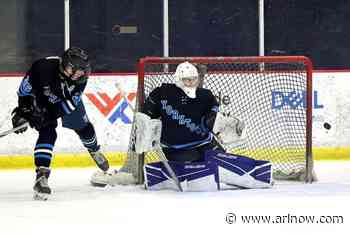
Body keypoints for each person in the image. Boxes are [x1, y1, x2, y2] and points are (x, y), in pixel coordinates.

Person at [140, 61, 273, 191]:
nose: (191, 83)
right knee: (202, 175)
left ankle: (260, 172)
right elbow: (145, 116)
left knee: (224, 164)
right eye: (187, 79)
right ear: (178, 79)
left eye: (194, 79)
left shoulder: (206, 96)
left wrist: (219, 124)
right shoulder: (162, 93)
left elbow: (213, 120)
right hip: (177, 149)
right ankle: (160, 175)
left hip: (205, 143)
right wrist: (147, 128)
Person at [11, 47, 110, 200]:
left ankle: (94, 150)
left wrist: (48, 116)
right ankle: (41, 176)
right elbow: (24, 92)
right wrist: (23, 112)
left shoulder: (80, 80)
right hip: (41, 100)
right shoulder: (42, 68)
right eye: (78, 71)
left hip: (63, 103)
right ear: (67, 67)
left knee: (84, 128)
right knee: (49, 132)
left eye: (83, 71)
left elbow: (68, 106)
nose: (82, 74)